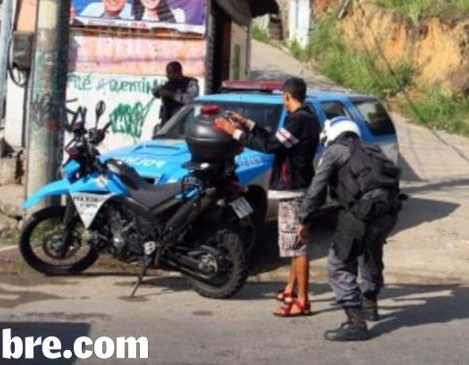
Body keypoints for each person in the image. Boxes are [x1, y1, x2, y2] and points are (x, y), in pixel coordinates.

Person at [214, 77, 320, 317]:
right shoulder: (307, 117)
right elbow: (275, 140)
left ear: (286, 96)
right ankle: (291, 290)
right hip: (299, 186)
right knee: (294, 245)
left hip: (294, 188)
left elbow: (272, 146)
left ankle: (302, 302)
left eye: (283, 98)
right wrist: (248, 124)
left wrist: (235, 133)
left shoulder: (298, 120)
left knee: (297, 247)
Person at [297, 117, 402, 342]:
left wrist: (304, 217)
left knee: (338, 263)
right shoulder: (372, 148)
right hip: (388, 212)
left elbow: (317, 187)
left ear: (332, 134)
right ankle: (370, 304)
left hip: (361, 213)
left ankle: (356, 323)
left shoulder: (335, 151)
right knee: (370, 253)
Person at [152, 62, 199, 126]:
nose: (167, 75)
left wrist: (171, 94)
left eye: (169, 73)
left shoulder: (190, 83)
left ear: (177, 72)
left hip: (182, 121)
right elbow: (156, 93)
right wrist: (158, 91)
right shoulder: (169, 84)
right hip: (167, 122)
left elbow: (191, 99)